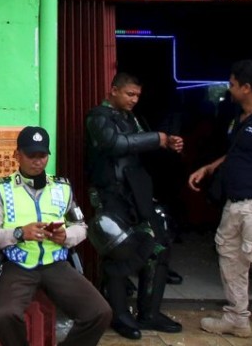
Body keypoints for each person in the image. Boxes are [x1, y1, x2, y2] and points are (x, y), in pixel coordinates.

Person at [189, 60, 252, 346]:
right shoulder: (241, 119)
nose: (230, 89)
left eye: (233, 84)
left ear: (247, 88)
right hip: (234, 206)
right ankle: (237, 318)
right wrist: (209, 167)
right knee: (230, 261)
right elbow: (238, 154)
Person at [0, 126, 111, 346]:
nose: (37, 161)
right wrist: (20, 233)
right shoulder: (2, 189)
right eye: (31, 155)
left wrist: (65, 236)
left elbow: (81, 226)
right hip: (17, 262)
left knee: (100, 312)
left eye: (42, 155)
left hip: (56, 263)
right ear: (17, 155)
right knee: (4, 316)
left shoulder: (62, 187)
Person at [85, 72, 184, 339]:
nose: (134, 99)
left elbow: (142, 143)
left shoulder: (131, 118)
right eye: (130, 94)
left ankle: (149, 313)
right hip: (110, 195)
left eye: (138, 95)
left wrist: (167, 143)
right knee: (119, 250)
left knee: (159, 247)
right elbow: (115, 144)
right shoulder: (98, 117)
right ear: (113, 90)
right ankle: (119, 315)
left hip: (136, 194)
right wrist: (157, 139)